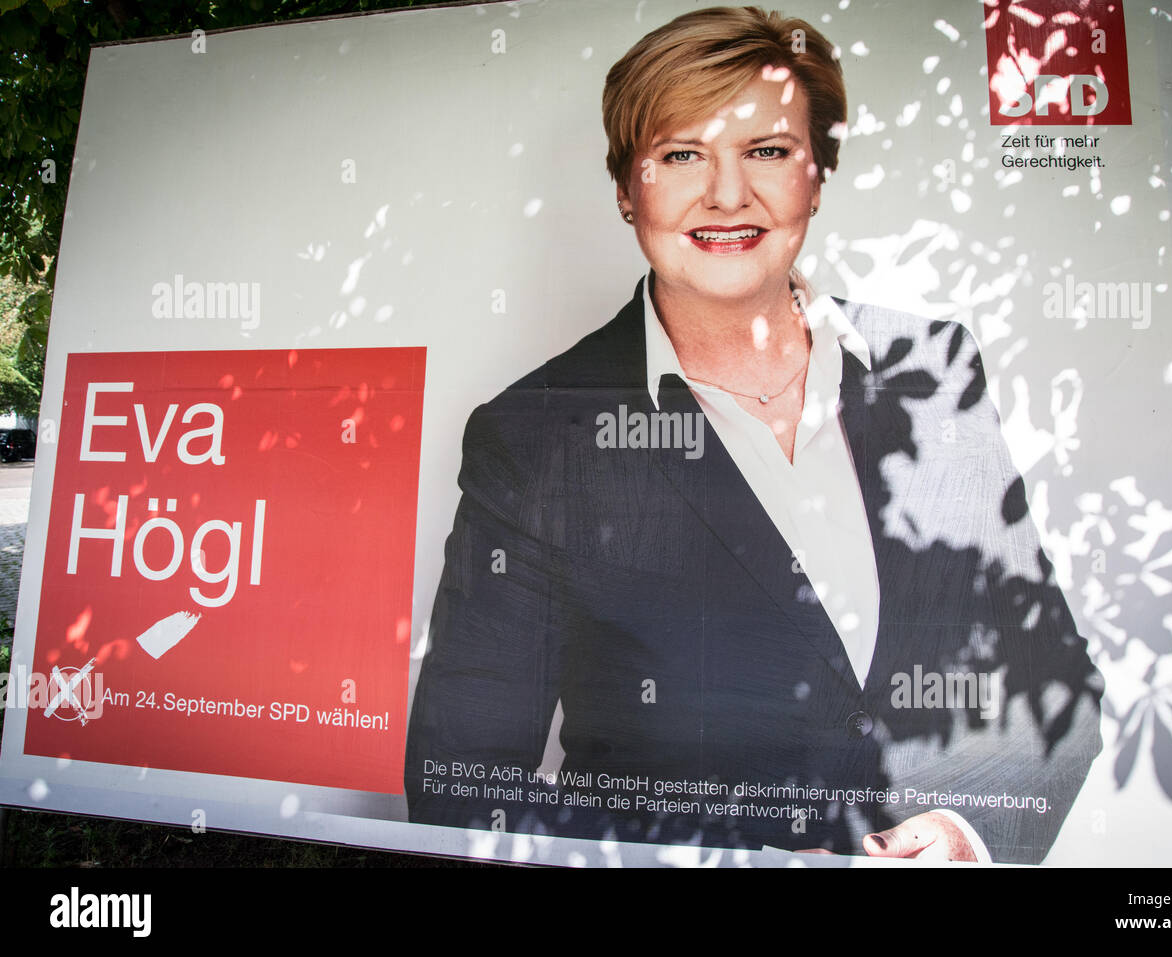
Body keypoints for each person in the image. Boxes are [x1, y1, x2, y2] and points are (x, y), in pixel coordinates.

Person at [406, 5, 1103, 864]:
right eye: (681, 154)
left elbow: (1050, 680)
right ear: (627, 189)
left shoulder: (937, 367)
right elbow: (463, 782)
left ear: (817, 175)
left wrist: (963, 833)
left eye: (767, 151)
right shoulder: (535, 437)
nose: (728, 194)